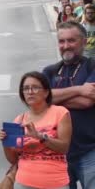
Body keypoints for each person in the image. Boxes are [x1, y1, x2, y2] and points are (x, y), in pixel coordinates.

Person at [42, 21, 95, 189]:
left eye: (71, 40)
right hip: (57, 154)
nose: (66, 46)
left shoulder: (92, 66)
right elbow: (41, 99)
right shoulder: (49, 72)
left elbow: (87, 101)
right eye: (61, 41)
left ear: (84, 42)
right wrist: (79, 89)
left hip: (90, 152)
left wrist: (53, 98)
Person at [0, 71, 71, 189]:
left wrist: (39, 136)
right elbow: (13, 160)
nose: (30, 92)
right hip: (23, 183)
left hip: (55, 183)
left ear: (46, 92)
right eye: (26, 88)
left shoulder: (60, 113)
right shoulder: (19, 120)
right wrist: (5, 143)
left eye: (35, 88)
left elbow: (64, 148)